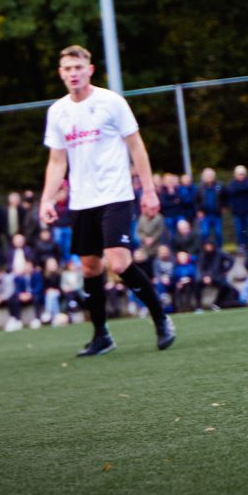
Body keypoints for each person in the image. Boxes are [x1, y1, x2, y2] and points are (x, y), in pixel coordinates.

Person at [37, 45, 175, 356]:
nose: (73, 73)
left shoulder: (111, 102)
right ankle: (101, 335)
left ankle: (161, 318)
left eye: (78, 67)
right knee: (90, 268)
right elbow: (57, 161)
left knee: (119, 262)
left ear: (90, 70)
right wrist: (47, 200)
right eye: (68, 68)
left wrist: (149, 190)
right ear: (61, 73)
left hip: (115, 194)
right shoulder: (57, 112)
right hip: (81, 200)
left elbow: (136, 147)